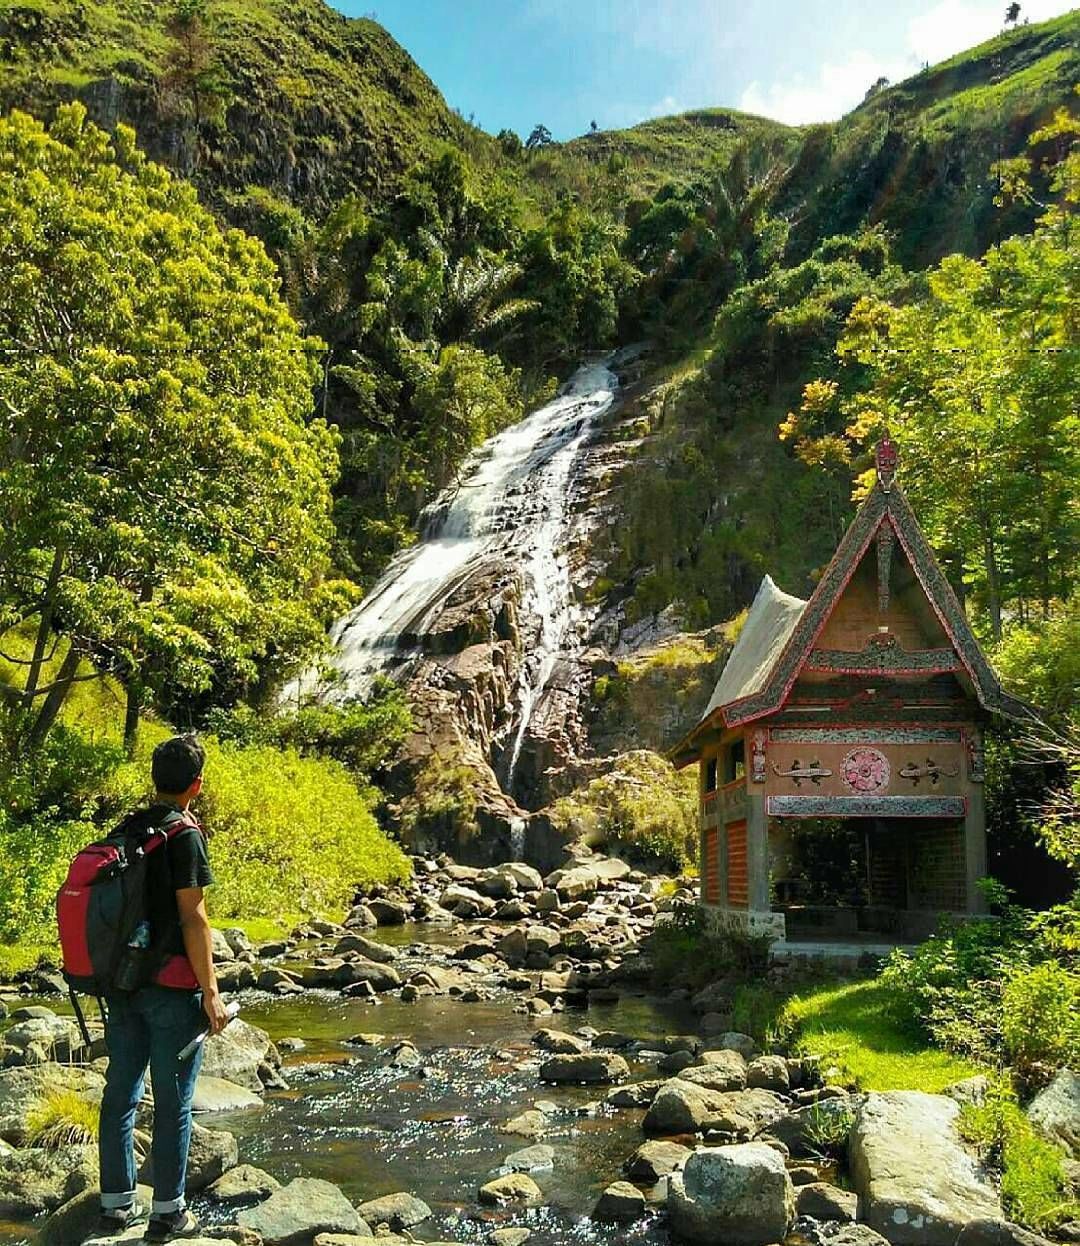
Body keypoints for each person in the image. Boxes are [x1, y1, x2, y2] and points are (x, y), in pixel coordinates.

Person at [97, 734, 229, 1241]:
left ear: (155, 779)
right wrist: (211, 991)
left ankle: (115, 1205)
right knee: (174, 1099)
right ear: (197, 783)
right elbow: (194, 918)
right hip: (172, 988)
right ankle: (168, 1212)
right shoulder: (185, 834)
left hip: (122, 982)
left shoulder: (130, 827)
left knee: (121, 1090)